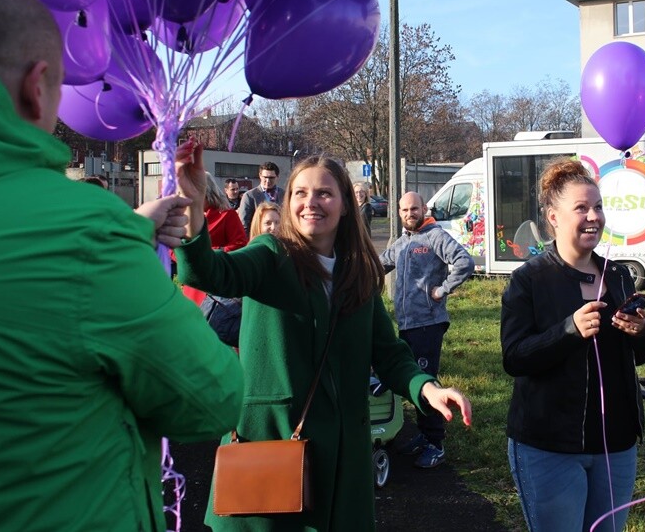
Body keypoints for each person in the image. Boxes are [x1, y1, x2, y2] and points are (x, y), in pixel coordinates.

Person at [0, 0, 244, 532]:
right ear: (37, 85)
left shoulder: (91, 235)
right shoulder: (87, 233)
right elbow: (212, 397)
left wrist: (131, 233)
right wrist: (113, 246)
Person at [174, 139, 473, 531]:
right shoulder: (270, 254)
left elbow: (388, 352)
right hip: (271, 445)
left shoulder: (360, 271)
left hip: (343, 456)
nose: (310, 202)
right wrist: (194, 208)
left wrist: (427, 389)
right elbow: (210, 273)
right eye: (300, 193)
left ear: (345, 204)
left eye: (324, 193)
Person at [500, 158, 645, 532]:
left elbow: (641, 355)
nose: (594, 216)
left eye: (599, 207)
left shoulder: (617, 275)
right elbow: (515, 357)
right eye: (582, 208)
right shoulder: (529, 281)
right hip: (550, 447)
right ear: (554, 217)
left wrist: (642, 331)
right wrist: (568, 329)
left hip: (615, 447)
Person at [380, 191, 475, 468]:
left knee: (426, 379)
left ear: (424, 208)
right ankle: (423, 434)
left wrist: (442, 290)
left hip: (428, 324)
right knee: (414, 380)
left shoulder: (434, 236)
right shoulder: (402, 243)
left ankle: (435, 443)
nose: (410, 214)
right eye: (405, 210)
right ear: (399, 213)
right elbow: (379, 264)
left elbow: (464, 262)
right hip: (407, 325)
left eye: (414, 209)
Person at [179, 171, 247, 307]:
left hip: (217, 286)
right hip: (193, 287)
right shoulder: (183, 217)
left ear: (206, 192)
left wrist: (211, 252)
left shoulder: (227, 215)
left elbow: (240, 244)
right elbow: (173, 249)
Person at [238, 161, 282, 233]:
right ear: (260, 176)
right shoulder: (249, 196)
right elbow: (244, 225)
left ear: (277, 177)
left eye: (271, 178)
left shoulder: (285, 195)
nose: (268, 181)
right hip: (258, 239)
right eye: (265, 177)